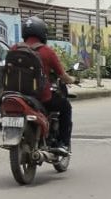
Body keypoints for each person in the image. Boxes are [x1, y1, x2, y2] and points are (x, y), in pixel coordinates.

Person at [14, 17, 75, 154]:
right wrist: (72, 80)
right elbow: (62, 75)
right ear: (42, 33)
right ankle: (63, 143)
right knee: (66, 107)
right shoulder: (47, 52)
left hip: (17, 95)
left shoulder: (14, 48)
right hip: (41, 97)